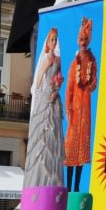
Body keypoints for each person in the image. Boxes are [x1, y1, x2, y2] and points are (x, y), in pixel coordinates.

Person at [24, 27, 64, 188]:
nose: (53, 42)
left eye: (55, 39)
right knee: (42, 131)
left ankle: (52, 175)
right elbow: (38, 81)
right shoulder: (46, 59)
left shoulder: (58, 60)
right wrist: (45, 85)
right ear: (47, 42)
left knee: (54, 130)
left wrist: (56, 88)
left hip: (53, 95)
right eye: (51, 39)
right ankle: (40, 175)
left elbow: (59, 78)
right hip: (44, 95)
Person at [63, 17, 98, 191]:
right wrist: (68, 105)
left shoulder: (92, 60)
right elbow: (69, 86)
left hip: (86, 106)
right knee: (71, 146)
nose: (83, 43)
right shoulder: (74, 62)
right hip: (75, 109)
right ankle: (68, 186)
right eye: (81, 40)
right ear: (78, 41)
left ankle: (76, 187)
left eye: (86, 40)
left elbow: (94, 83)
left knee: (83, 144)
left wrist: (91, 83)